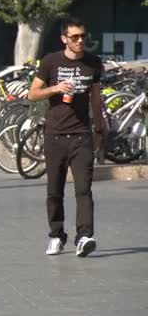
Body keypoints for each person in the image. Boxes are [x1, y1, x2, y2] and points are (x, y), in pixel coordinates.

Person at [28, 17, 102, 258]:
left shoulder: (93, 63)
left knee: (84, 189)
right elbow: (33, 94)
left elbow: (96, 99)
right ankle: (57, 235)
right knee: (54, 190)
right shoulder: (50, 62)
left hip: (81, 136)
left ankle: (84, 237)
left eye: (83, 36)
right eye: (75, 37)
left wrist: (99, 130)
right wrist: (56, 89)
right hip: (55, 136)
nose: (80, 40)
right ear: (64, 39)